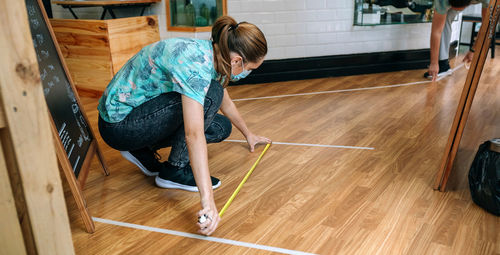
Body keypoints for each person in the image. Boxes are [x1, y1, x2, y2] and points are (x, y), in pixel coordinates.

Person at [97, 16, 271, 235]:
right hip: (119, 125)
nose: (249, 73)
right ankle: (174, 170)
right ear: (237, 61)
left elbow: (224, 103)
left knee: (221, 127)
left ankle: (141, 148)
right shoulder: (195, 65)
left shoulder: (214, 53)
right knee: (211, 95)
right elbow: (194, 134)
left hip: (138, 115)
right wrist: (208, 201)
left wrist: (248, 134)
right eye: (251, 68)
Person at [425, 0, 490, 81]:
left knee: (490, 21)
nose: (457, 11)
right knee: (444, 19)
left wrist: (474, 50)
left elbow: (486, 26)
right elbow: (436, 31)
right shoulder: (441, 1)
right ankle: (443, 64)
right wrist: (434, 63)